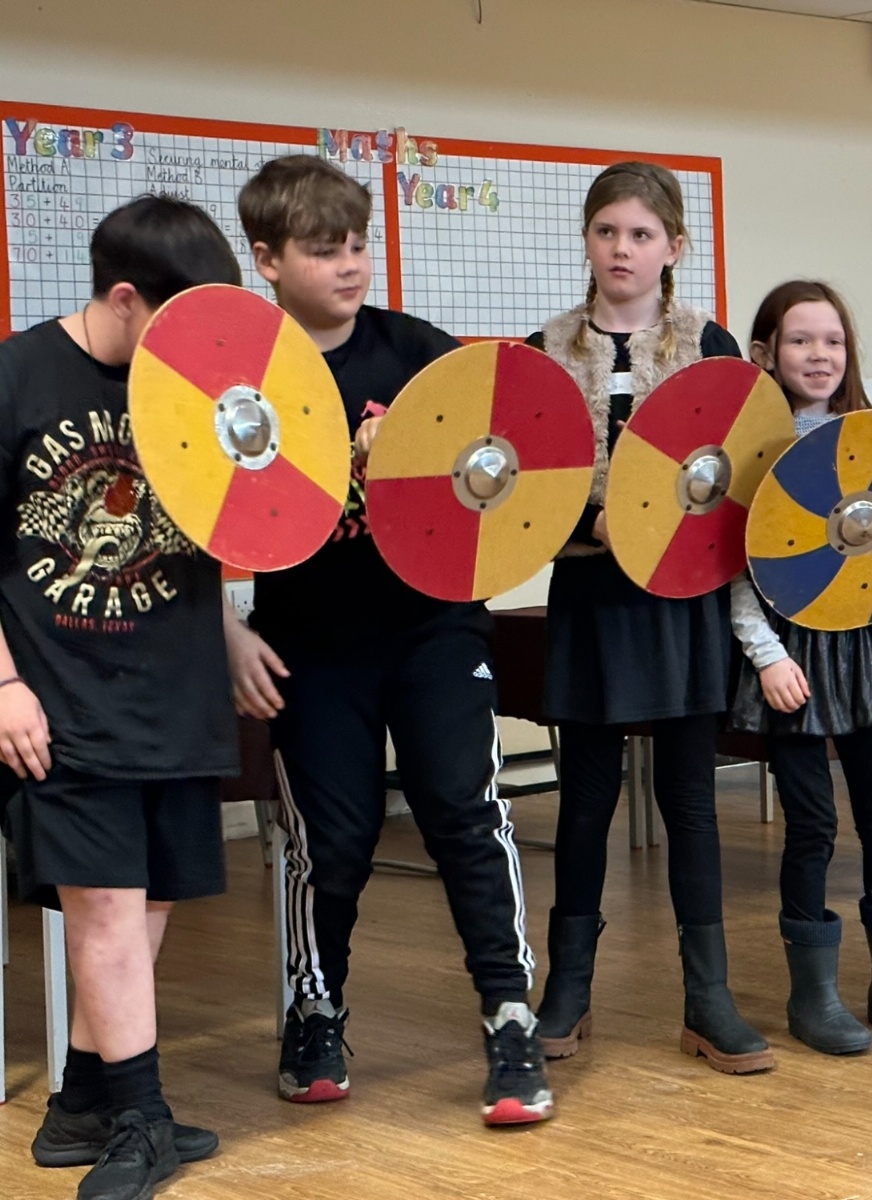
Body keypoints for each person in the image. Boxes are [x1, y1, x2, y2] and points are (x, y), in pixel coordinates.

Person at [225, 155, 549, 1125]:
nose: (350, 266)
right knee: (332, 842)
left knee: (465, 810)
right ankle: (315, 1015)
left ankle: (509, 1018)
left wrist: (420, 459)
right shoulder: (242, 380)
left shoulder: (418, 355)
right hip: (311, 647)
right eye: (324, 250)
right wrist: (226, 628)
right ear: (268, 261)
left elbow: (505, 463)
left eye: (358, 245)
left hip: (433, 629)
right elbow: (201, 506)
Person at [0, 195, 239, 1198]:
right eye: (181, 320)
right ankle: (142, 1119)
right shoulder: (17, 376)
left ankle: (80, 1106)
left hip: (177, 688)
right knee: (102, 907)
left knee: (151, 901)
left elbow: (238, 519)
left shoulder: (191, 389)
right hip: (61, 695)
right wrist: (3, 683)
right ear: (128, 298)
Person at [528, 161, 772, 1074]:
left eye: (639, 234)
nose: (621, 250)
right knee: (586, 801)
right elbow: (524, 484)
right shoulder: (545, 350)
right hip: (592, 597)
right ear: (587, 241)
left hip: (683, 598)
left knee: (691, 802)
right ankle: (568, 988)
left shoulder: (710, 347)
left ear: (674, 246)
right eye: (606, 232)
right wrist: (591, 523)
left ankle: (708, 998)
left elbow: (743, 471)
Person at [729, 279, 872, 1055]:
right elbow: (738, 566)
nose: (819, 355)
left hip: (864, 645)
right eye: (801, 340)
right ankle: (813, 995)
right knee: (813, 824)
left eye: (832, 340)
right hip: (791, 653)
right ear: (766, 352)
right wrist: (766, 656)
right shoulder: (754, 447)